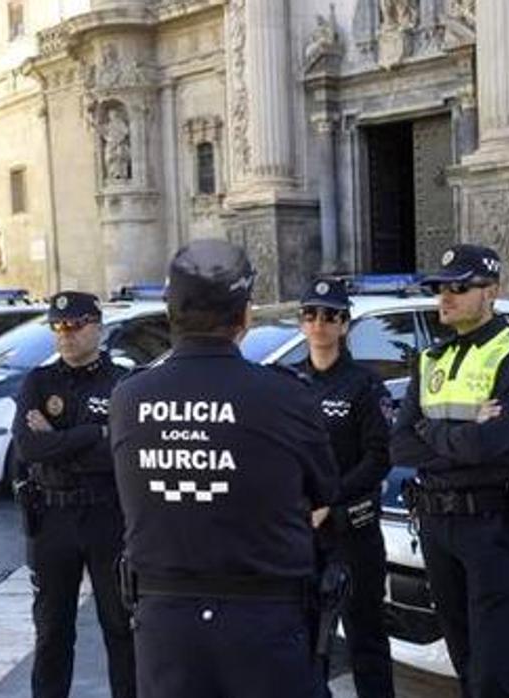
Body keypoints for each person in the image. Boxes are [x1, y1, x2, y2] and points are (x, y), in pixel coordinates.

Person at [109, 240, 339, 698]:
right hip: (263, 622)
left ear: (171, 312)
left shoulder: (129, 398)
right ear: (245, 316)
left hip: (165, 625)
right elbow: (325, 491)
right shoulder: (285, 396)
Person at [390, 244, 509, 698]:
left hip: (492, 525)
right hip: (436, 522)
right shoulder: (430, 359)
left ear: (491, 291)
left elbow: (489, 444)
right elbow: (400, 445)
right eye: (441, 288)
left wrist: (429, 430)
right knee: (462, 658)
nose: (446, 297)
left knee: (492, 670)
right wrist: (457, 434)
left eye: (460, 287)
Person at [11, 291, 135, 698]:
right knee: (51, 631)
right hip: (52, 519)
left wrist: (59, 441)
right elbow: (29, 448)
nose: (66, 334)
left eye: (76, 325)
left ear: (97, 327)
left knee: (120, 628)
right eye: (58, 326)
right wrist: (90, 435)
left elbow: (121, 453)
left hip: (107, 517)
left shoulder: (122, 383)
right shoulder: (38, 381)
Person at [293, 278, 395, 698]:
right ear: (301, 323)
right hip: (301, 533)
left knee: (365, 637)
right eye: (311, 314)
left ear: (345, 325)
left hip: (352, 531)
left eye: (330, 316)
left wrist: (327, 500)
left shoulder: (364, 385)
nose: (319, 323)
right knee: (305, 642)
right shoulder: (287, 383)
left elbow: (378, 459)